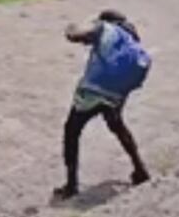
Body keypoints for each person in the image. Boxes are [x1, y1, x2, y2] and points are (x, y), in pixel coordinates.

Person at [54, 10, 151, 200]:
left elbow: (77, 35)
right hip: (116, 93)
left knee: (72, 130)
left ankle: (71, 185)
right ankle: (140, 168)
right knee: (116, 124)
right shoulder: (128, 37)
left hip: (94, 90)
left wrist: (72, 29)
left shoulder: (105, 27)